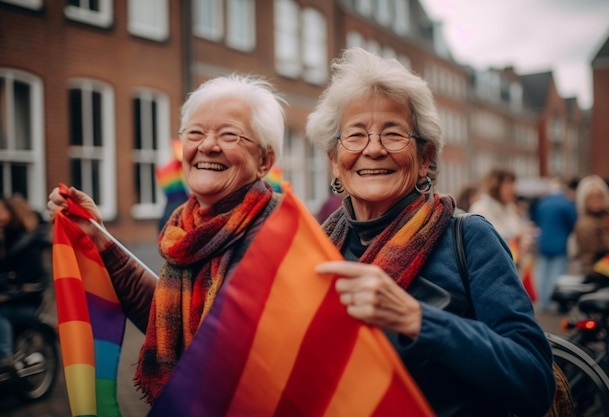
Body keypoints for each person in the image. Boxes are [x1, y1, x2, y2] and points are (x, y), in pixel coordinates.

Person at [305, 47, 555, 417]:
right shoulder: (315, 250)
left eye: (393, 134)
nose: (373, 149)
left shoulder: (470, 238)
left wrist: (418, 319)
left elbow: (534, 380)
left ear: (425, 158)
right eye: (355, 135)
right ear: (334, 161)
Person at [47, 73, 286, 405]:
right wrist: (97, 237)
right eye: (195, 133)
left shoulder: (278, 232)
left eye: (229, 134)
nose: (207, 145)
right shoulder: (187, 226)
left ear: (264, 162)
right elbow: (169, 321)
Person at [0, 194, 51, 371]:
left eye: (2, 209)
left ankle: (5, 359)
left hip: (25, 303)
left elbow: (31, 279)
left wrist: (8, 290)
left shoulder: (26, 243)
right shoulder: (6, 239)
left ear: (13, 213)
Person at [530, 177, 577, 311]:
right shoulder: (566, 203)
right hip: (559, 243)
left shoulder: (543, 202)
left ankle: (543, 302)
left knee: (542, 274)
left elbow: (537, 220)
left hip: (543, 242)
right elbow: (572, 223)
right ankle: (554, 301)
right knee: (557, 276)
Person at [574, 175, 609, 286]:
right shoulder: (585, 224)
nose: (596, 200)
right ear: (584, 199)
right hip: (599, 273)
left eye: (599, 196)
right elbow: (588, 259)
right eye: (591, 196)